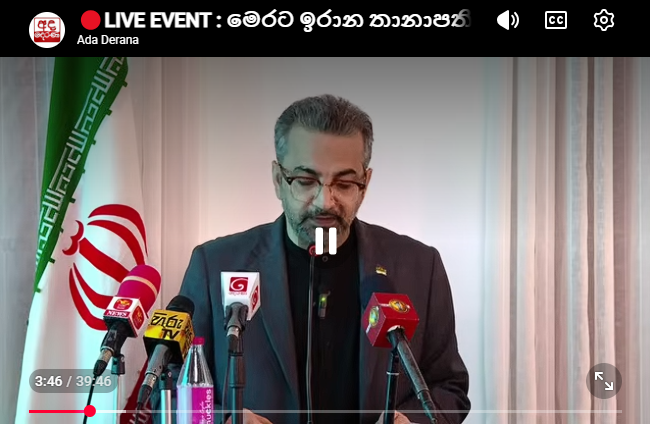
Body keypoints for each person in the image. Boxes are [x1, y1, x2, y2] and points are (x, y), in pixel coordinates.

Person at [151, 94, 470, 424]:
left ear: (364, 185)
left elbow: (449, 388)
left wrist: (410, 421)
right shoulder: (214, 264)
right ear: (279, 180)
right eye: (305, 181)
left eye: (344, 183)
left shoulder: (419, 267)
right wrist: (226, 420)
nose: (324, 202)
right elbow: (166, 393)